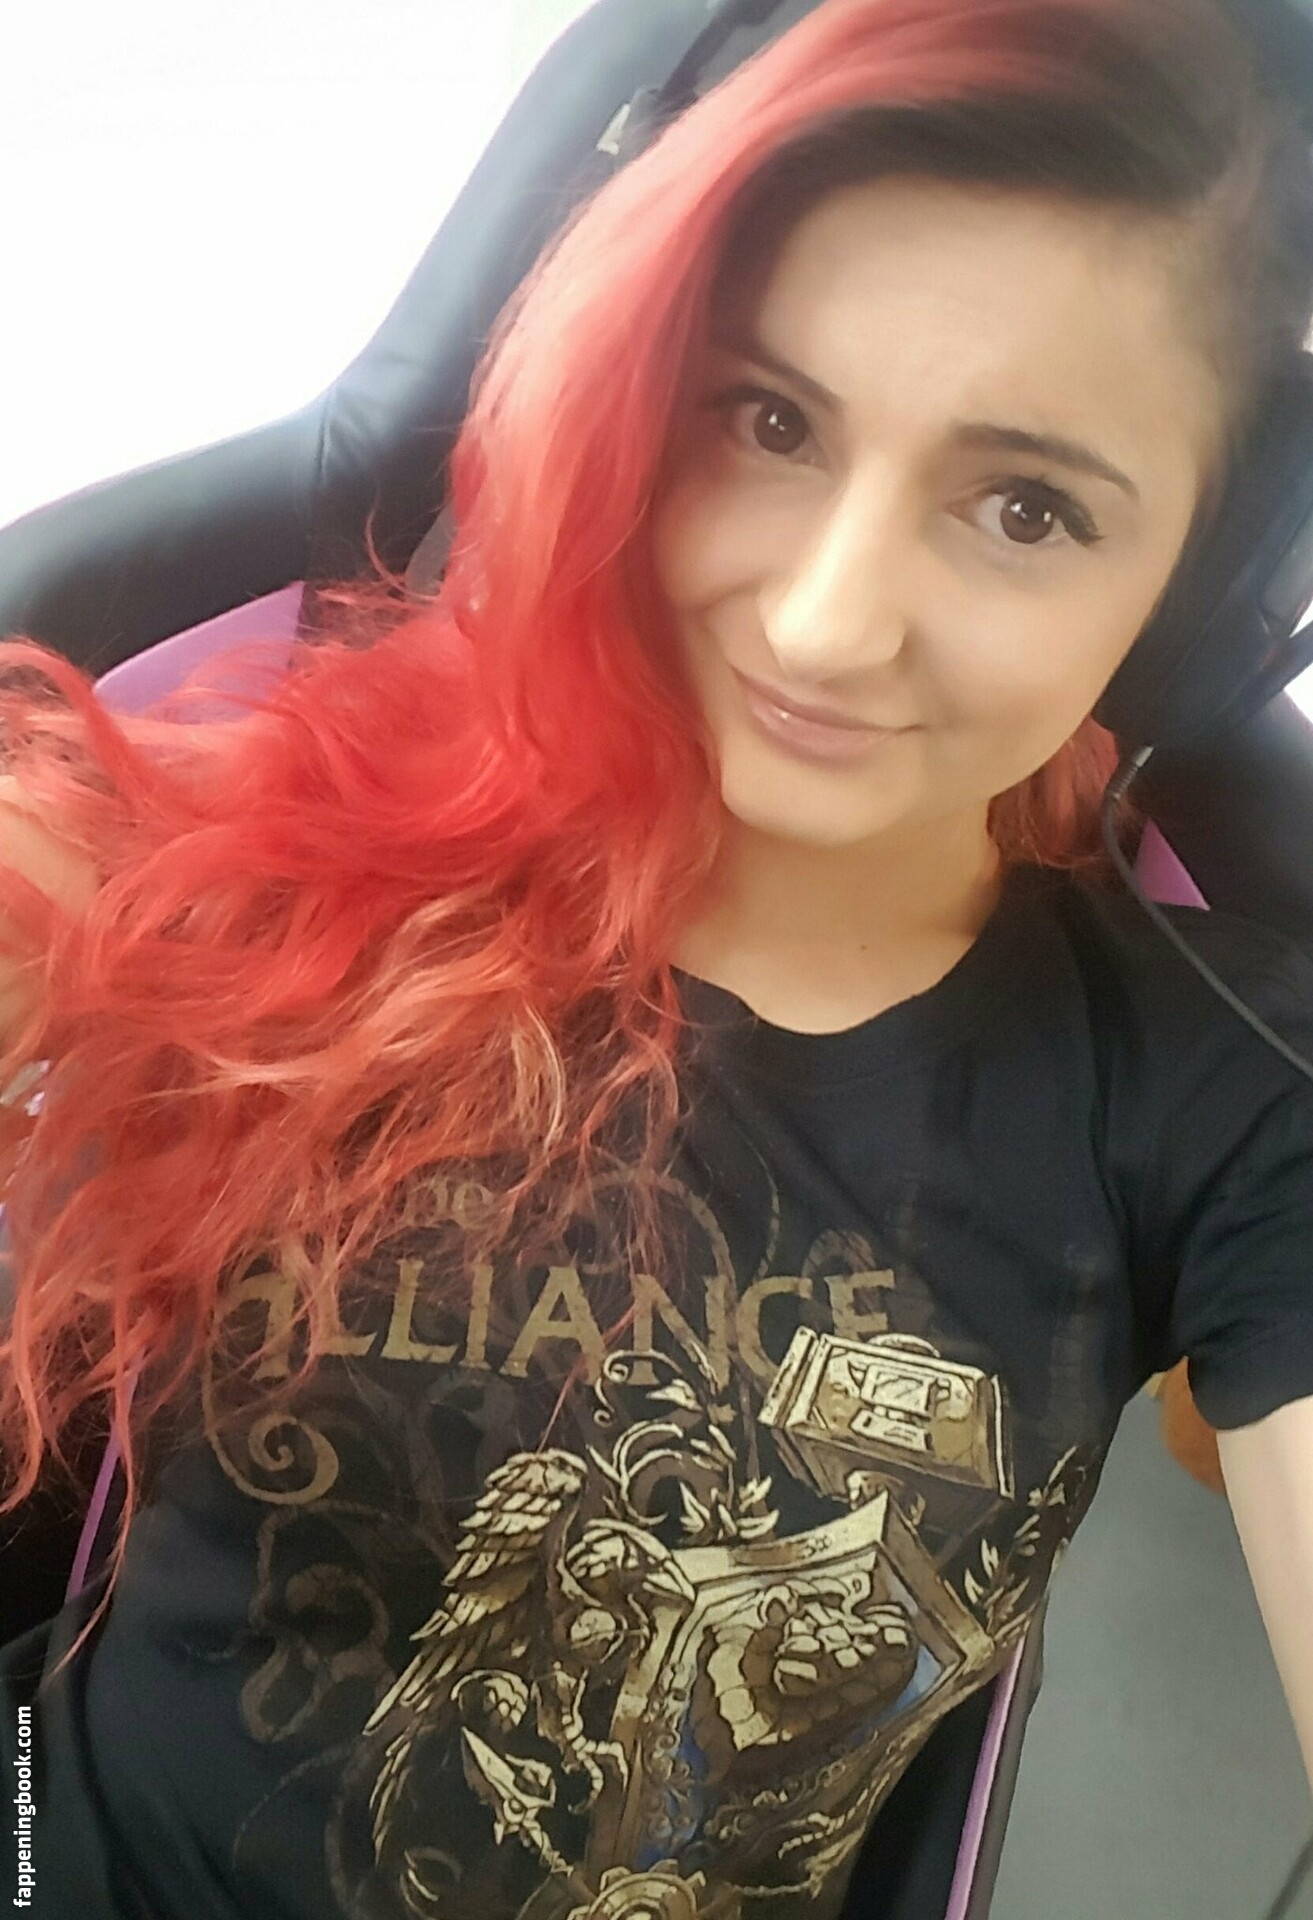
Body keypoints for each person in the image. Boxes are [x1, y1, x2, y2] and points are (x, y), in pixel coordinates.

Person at [1, 0, 1312, 1914]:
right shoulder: (266, 817)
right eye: (767, 421)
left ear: (1194, 595)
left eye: (1024, 508)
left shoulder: (1220, 1100)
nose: (827, 623)